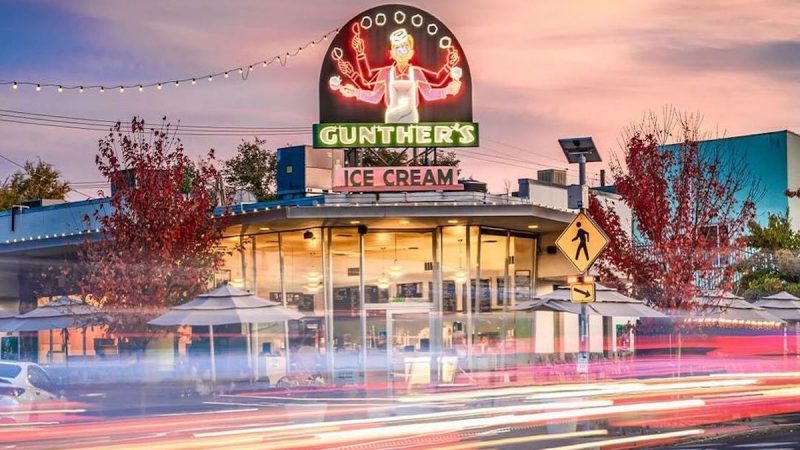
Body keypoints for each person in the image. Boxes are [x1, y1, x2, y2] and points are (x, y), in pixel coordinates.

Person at [331, 25, 462, 123]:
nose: (401, 51)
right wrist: (355, 92)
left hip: (412, 116)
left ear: (411, 52)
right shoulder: (386, 72)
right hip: (391, 116)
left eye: (404, 48)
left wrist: (447, 89)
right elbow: (374, 95)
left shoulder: (416, 72)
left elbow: (428, 92)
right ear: (391, 52)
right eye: (397, 48)